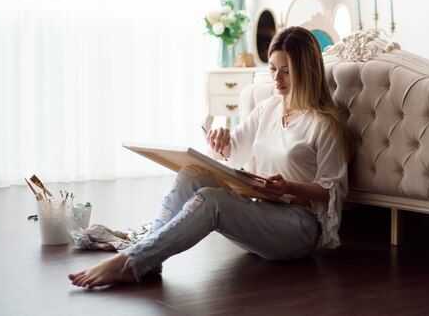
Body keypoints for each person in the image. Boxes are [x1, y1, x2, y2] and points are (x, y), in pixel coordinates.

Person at [68, 26, 353, 288]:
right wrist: (222, 140)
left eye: (286, 71)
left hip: (298, 227)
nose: (276, 79)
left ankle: (131, 262)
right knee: (193, 173)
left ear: (306, 70)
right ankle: (145, 259)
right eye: (272, 68)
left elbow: (330, 189)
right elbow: (234, 151)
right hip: (263, 211)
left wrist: (287, 186)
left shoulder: (325, 123)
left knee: (211, 200)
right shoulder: (268, 109)